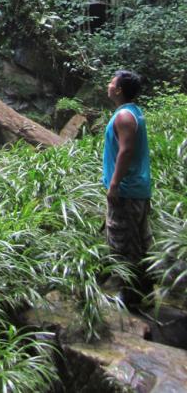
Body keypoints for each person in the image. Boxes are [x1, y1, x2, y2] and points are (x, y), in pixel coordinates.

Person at [102, 69, 153, 309]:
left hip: (126, 189)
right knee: (139, 241)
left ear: (119, 89)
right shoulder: (133, 112)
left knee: (123, 243)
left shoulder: (124, 116)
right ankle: (144, 293)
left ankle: (130, 299)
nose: (109, 85)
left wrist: (114, 184)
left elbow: (126, 151)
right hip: (136, 188)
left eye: (112, 82)